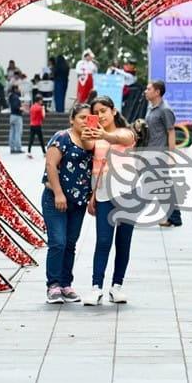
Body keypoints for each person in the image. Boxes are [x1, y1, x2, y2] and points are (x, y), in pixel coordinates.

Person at [81, 96, 136, 306]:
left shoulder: (125, 131)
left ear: (113, 111)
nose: (101, 115)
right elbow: (92, 157)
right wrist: (85, 133)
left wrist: (104, 134)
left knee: (123, 242)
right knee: (103, 241)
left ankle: (117, 286)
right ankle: (96, 287)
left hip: (128, 193)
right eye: (97, 112)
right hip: (103, 194)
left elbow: (123, 139)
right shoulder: (96, 137)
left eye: (104, 110)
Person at [41, 103, 94, 303]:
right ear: (72, 119)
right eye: (81, 117)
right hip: (56, 199)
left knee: (70, 243)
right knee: (58, 242)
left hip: (78, 201)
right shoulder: (62, 137)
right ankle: (53, 285)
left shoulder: (91, 141)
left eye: (89, 118)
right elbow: (51, 165)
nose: (85, 121)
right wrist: (58, 194)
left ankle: (65, 284)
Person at [144, 80, 182, 227]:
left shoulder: (165, 109)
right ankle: (174, 217)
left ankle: (173, 217)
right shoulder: (151, 108)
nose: (145, 91)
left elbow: (171, 131)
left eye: (148, 89)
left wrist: (172, 155)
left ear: (157, 92)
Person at [8, 84, 23, 154]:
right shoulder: (16, 97)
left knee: (12, 132)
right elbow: (16, 106)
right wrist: (21, 108)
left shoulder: (10, 96)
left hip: (12, 116)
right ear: (16, 89)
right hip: (17, 116)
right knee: (18, 132)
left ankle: (12, 147)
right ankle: (18, 148)